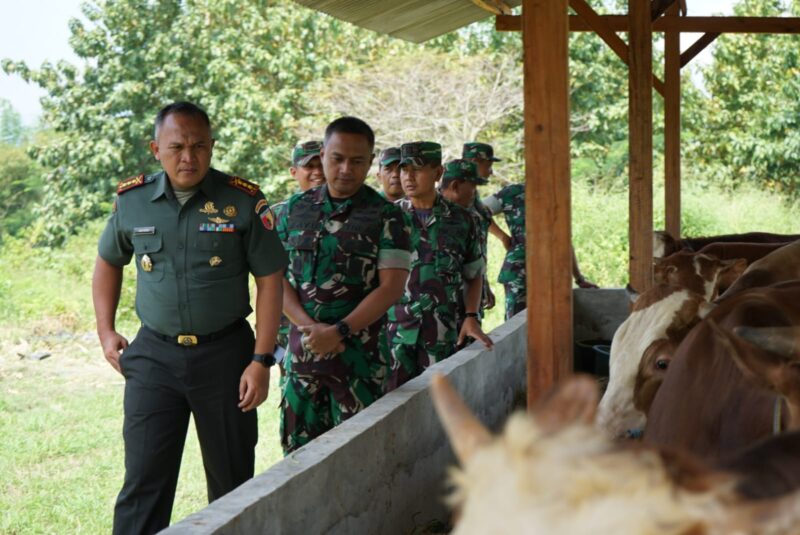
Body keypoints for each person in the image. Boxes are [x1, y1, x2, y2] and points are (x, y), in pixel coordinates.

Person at [92, 101, 287, 534]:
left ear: (212, 147)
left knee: (233, 481)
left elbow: (270, 279)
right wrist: (105, 331)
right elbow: (108, 261)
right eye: (176, 146)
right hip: (153, 358)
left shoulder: (242, 201)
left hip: (227, 359)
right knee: (143, 483)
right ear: (155, 148)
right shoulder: (133, 201)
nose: (188, 156)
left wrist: (261, 360)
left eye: (199, 146)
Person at [277, 116, 411, 454]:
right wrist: (311, 330)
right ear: (323, 155)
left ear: (370, 162)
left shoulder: (388, 216)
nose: (346, 169)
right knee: (296, 464)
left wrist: (337, 332)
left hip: (359, 365)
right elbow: (273, 280)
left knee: (360, 459)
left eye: (357, 161)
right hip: (301, 364)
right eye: (337, 158)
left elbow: (391, 287)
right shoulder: (292, 211)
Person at [386, 144, 493, 390]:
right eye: (404, 169)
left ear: (438, 173)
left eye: (417, 169)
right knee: (391, 405)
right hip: (394, 334)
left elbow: (474, 274)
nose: (408, 177)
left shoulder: (463, 220)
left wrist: (471, 316)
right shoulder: (387, 218)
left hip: (445, 335)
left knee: (444, 405)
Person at [483, 182, 598, 320]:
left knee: (547, 325)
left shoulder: (555, 194)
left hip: (548, 272)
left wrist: (579, 279)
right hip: (522, 270)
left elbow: (564, 241)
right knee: (518, 325)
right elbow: (477, 211)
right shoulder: (514, 192)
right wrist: (502, 236)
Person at [272, 140, 325, 366]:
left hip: (340, 327)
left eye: (322, 164)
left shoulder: (354, 212)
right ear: (294, 172)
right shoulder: (277, 215)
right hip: (291, 331)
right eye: (309, 166)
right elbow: (270, 277)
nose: (317, 172)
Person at [438, 158, 494, 326]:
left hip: (466, 309)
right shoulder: (422, 214)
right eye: (472, 187)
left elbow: (473, 266)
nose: (474, 193)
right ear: (455, 186)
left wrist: (484, 286)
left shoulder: (471, 217)